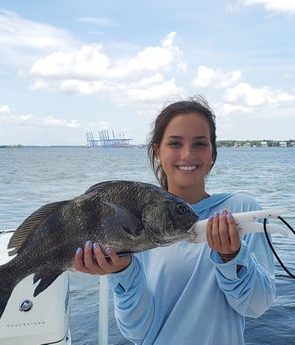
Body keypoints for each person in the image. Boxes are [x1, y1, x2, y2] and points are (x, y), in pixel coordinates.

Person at [74, 95, 276, 345]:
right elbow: (137, 331)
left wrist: (232, 257)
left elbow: (257, 306)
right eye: (175, 143)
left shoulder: (241, 211)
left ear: (213, 152)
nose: (188, 154)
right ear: (157, 151)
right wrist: (123, 272)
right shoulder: (135, 222)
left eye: (200, 144)